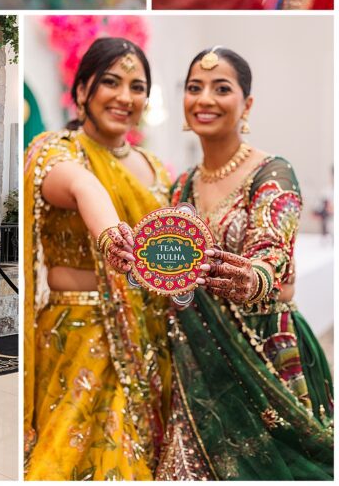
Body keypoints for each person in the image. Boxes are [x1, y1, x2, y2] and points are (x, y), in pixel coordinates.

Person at [156, 47, 334, 480]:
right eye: (194, 88)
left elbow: (271, 254)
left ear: (246, 104)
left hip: (266, 353)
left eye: (222, 88)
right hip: (197, 363)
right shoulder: (180, 187)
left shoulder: (272, 172)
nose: (205, 99)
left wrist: (254, 277)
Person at [24, 37, 173, 480]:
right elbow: (83, 187)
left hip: (148, 337)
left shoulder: (156, 168)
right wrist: (112, 236)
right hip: (80, 338)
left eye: (137, 86)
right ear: (83, 89)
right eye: (111, 82)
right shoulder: (55, 150)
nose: (125, 97)